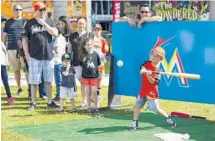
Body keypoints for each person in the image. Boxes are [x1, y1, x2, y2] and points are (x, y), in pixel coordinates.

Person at [21, 2, 58, 110]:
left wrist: (44, 24)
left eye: (44, 10)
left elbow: (55, 33)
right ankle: (33, 103)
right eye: (40, 10)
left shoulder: (50, 21)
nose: (42, 12)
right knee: (33, 81)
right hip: (34, 56)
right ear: (35, 11)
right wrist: (26, 54)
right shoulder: (29, 23)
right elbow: (24, 40)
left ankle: (50, 101)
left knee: (48, 81)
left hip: (48, 56)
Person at [130, 47, 176, 131]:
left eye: (156, 56)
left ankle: (168, 118)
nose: (153, 56)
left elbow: (152, 82)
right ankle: (134, 122)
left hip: (152, 92)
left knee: (156, 109)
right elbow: (141, 70)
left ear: (161, 59)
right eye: (152, 54)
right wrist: (145, 71)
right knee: (137, 105)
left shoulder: (158, 70)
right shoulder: (146, 63)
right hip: (143, 90)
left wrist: (148, 75)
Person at [18, 20, 47, 100]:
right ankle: (31, 94)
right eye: (24, 25)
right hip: (28, 57)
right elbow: (20, 48)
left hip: (38, 56)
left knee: (42, 75)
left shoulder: (35, 32)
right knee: (31, 77)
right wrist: (22, 58)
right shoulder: (22, 36)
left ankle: (43, 93)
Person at [2, 4, 24, 95]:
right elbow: (4, 35)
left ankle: (30, 89)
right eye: (16, 9)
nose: (18, 11)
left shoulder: (25, 21)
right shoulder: (8, 22)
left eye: (20, 9)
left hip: (24, 49)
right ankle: (19, 88)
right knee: (16, 69)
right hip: (11, 48)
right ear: (13, 10)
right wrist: (2, 48)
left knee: (26, 69)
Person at [68, 18, 90, 107]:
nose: (81, 25)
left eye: (83, 23)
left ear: (85, 25)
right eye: (79, 23)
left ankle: (86, 100)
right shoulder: (72, 35)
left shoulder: (89, 35)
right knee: (81, 81)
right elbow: (69, 49)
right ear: (76, 24)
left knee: (85, 81)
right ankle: (85, 99)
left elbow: (93, 46)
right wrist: (68, 59)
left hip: (86, 62)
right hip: (76, 62)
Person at [79, 38, 101, 114]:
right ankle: (89, 108)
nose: (89, 46)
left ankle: (95, 107)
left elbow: (98, 64)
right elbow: (81, 65)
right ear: (84, 46)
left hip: (94, 77)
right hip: (85, 77)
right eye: (87, 45)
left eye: (91, 44)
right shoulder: (82, 55)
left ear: (93, 45)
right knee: (87, 92)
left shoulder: (95, 54)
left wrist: (100, 75)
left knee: (94, 92)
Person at [53, 16, 71, 102]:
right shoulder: (57, 35)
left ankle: (63, 95)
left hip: (66, 60)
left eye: (62, 23)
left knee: (64, 79)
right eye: (59, 23)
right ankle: (59, 95)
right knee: (59, 80)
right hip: (58, 60)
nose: (60, 25)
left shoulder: (69, 35)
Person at [92, 23, 109, 107]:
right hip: (92, 60)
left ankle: (97, 95)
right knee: (92, 78)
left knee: (100, 78)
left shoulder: (103, 40)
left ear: (100, 31)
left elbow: (105, 51)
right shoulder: (90, 39)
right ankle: (92, 95)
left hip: (100, 61)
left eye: (98, 29)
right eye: (95, 29)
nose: (96, 31)